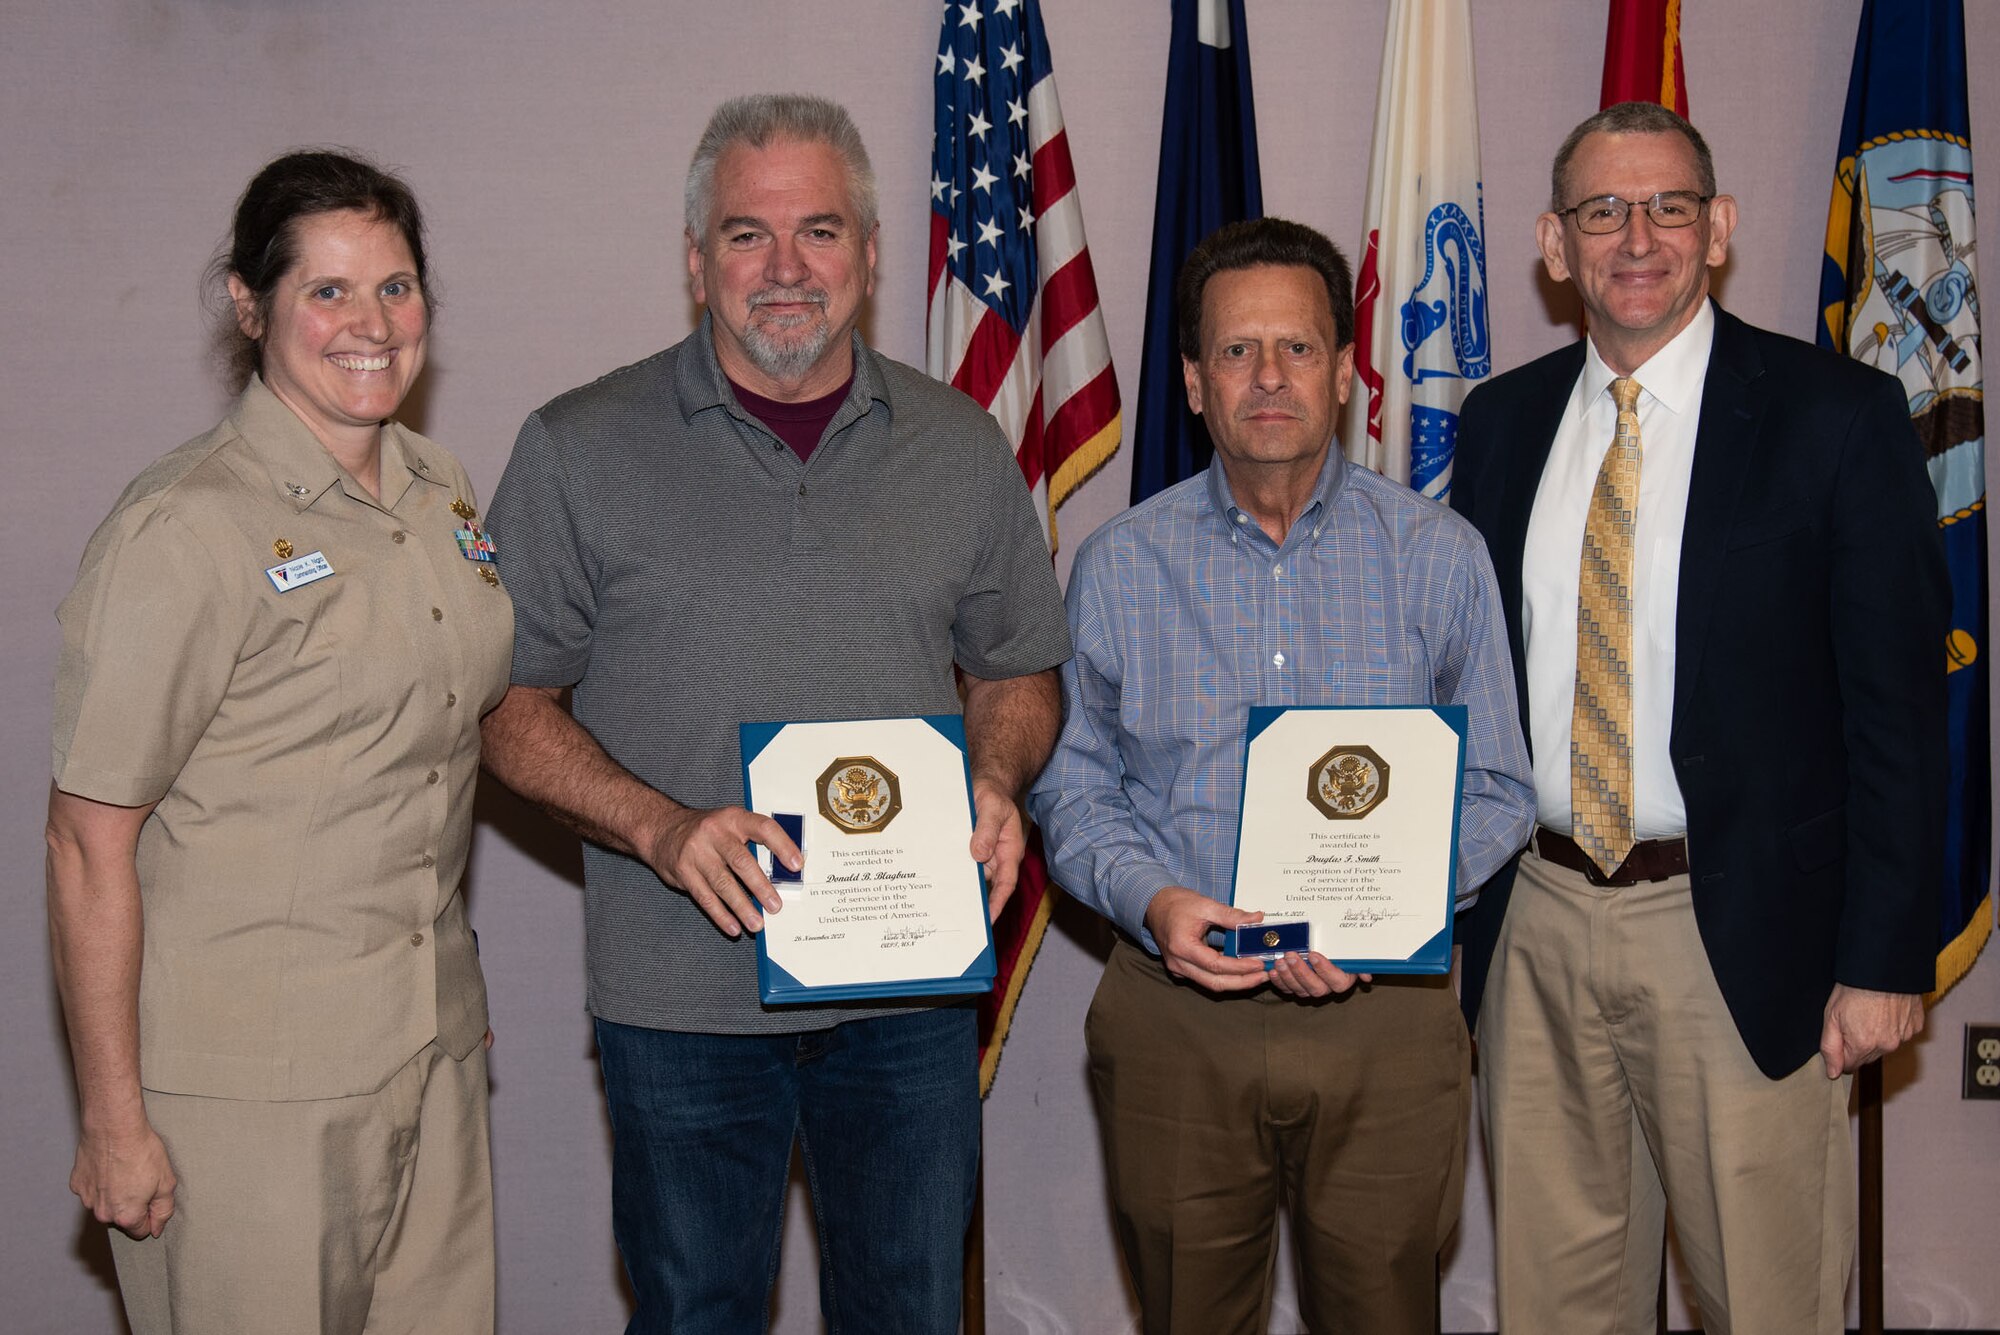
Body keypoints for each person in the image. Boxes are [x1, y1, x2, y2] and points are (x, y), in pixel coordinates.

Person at [478, 93, 1068, 1333]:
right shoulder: (579, 447)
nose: (786, 269)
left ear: (865, 251)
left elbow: (1017, 668)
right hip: (680, 1002)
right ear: (696, 262)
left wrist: (999, 775)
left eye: (818, 231)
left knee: (908, 1311)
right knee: (695, 1314)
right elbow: (502, 706)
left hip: (907, 1000)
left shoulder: (962, 446)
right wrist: (656, 829)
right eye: (747, 236)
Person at [1452, 101, 1947, 1334]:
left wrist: (1881, 959)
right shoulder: (1499, 426)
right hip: (1539, 923)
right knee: (1554, 1308)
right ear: (1550, 245)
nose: (1637, 237)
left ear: (1716, 229)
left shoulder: (1834, 418)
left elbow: (1898, 714)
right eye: (1601, 211)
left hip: (1740, 936)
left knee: (1764, 1301)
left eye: (1668, 206)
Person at [1028, 217, 1534, 1335]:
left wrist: (1378, 912)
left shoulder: (1440, 556)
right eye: (1236, 351)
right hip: (1176, 1018)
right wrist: (1152, 902)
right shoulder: (1117, 567)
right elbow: (1070, 790)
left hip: (1385, 1022)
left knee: (1385, 1314)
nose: (1268, 376)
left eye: (1297, 348)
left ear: (1346, 375)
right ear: (1193, 383)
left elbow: (1498, 787)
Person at [46, 150, 511, 1334]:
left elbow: (444, 738)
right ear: (253, 307)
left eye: (396, 288)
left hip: (427, 1053)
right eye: (328, 291)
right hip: (246, 1095)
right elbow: (89, 841)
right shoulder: (186, 529)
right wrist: (112, 1120)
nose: (371, 325)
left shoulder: (439, 490)